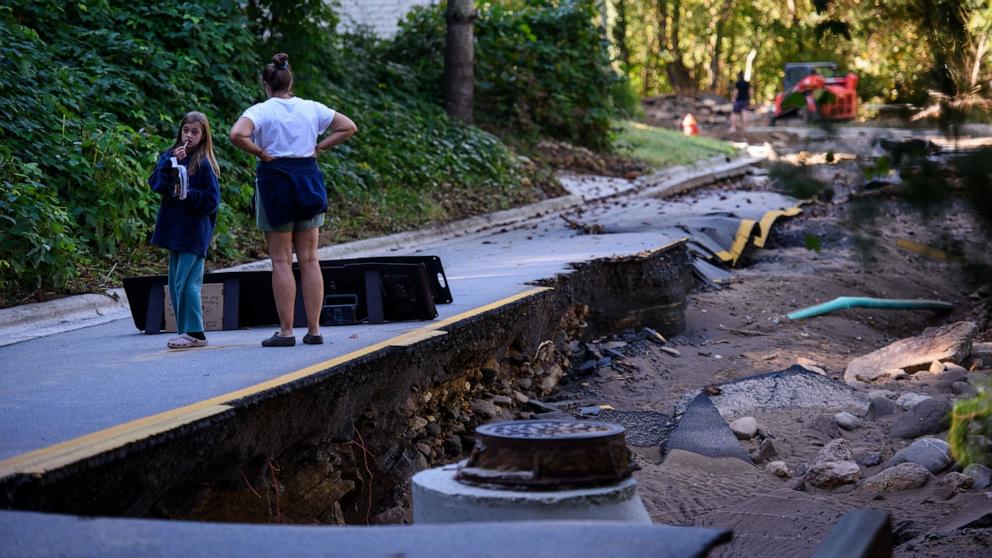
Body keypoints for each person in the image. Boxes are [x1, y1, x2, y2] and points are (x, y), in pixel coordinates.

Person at [230, 53, 358, 348]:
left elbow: (237, 134)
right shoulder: (312, 108)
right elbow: (348, 126)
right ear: (291, 82)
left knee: (281, 260)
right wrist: (319, 147)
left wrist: (259, 152)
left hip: (276, 182)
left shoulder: (261, 110)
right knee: (311, 259)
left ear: (266, 84)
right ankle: (314, 330)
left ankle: (286, 331)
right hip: (307, 180)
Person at [148, 112, 221, 349]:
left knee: (187, 283)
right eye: (185, 130)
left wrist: (188, 193)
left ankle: (195, 332)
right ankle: (185, 331)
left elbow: (212, 200)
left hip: (194, 231)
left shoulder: (203, 164)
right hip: (175, 230)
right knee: (176, 282)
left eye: (195, 132)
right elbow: (155, 184)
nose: (188, 136)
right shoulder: (170, 156)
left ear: (203, 136)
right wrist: (170, 166)